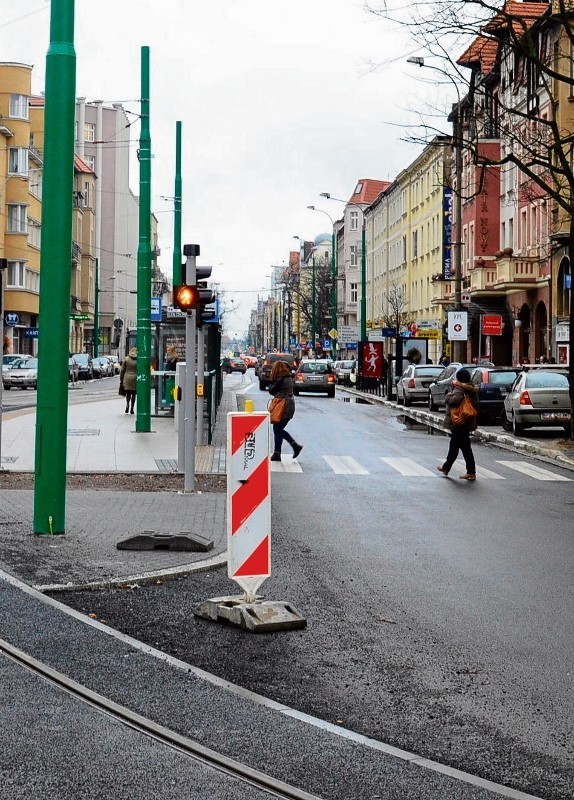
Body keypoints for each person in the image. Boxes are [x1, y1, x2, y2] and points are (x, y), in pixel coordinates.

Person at [437, 368, 479, 481]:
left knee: (459, 447)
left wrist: (448, 395)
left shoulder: (460, 389)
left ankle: (470, 472)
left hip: (459, 421)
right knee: (459, 446)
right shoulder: (470, 388)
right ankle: (448, 468)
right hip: (466, 421)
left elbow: (454, 401)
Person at [268, 360, 302, 462]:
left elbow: (271, 390)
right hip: (289, 404)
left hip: (283, 405)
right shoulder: (288, 377)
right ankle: (277, 453)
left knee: (278, 429)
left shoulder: (280, 378)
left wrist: (271, 382)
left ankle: (294, 446)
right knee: (278, 429)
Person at [120, 347, 137, 414]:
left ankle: (127, 405)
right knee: (134, 394)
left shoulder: (126, 359)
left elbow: (122, 370)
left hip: (127, 378)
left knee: (128, 393)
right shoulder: (138, 359)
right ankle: (132, 408)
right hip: (135, 378)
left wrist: (121, 379)